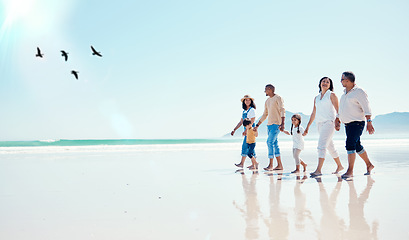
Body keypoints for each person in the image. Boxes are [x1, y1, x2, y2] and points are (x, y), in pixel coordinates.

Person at [304, 77, 344, 177]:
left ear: (330, 85)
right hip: (319, 124)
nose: (325, 83)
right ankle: (340, 166)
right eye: (323, 81)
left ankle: (318, 170)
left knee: (321, 146)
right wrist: (308, 126)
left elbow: (338, 109)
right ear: (320, 83)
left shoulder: (331, 95)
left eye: (327, 82)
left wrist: (338, 121)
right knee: (330, 147)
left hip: (329, 123)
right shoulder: (316, 98)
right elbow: (313, 113)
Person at [338, 71, 375, 178]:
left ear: (347, 80)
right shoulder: (344, 93)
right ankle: (369, 165)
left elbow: (366, 107)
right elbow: (341, 109)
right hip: (347, 124)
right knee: (357, 146)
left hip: (357, 123)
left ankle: (350, 171)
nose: (340, 81)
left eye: (342, 79)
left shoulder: (359, 91)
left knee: (350, 144)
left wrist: (369, 122)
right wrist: (338, 119)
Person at [254, 84, 285, 171]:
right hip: (269, 125)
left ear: (270, 89)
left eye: (266, 90)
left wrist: (283, 123)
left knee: (269, 142)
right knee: (274, 144)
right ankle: (279, 165)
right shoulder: (267, 101)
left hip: (276, 124)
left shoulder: (278, 98)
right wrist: (257, 125)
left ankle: (271, 165)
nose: (265, 91)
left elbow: (282, 109)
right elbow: (265, 114)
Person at [231, 95, 256, 168]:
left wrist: (246, 130)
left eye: (249, 100)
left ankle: (242, 163)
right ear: (244, 102)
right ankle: (255, 163)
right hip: (246, 131)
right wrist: (234, 129)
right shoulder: (244, 111)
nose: (247, 101)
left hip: (250, 131)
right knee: (250, 147)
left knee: (245, 146)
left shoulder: (252, 110)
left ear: (251, 101)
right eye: (246, 100)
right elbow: (241, 122)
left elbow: (252, 121)